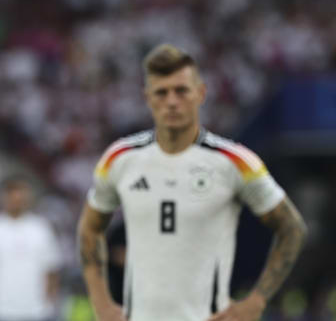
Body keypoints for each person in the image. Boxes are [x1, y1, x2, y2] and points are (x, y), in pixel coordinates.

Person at [77, 44, 308, 321]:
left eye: (181, 90)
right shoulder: (120, 158)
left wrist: (256, 301)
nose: (172, 101)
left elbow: (292, 228)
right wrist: (101, 303)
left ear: (201, 93)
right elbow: (90, 229)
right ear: (148, 98)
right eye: (161, 92)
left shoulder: (235, 162)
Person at [0, 177, 62, 321]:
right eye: (12, 197)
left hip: (37, 311)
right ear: (3, 198)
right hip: (0, 311)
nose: (17, 202)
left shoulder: (42, 228)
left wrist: (49, 302)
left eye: (21, 197)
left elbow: (52, 269)